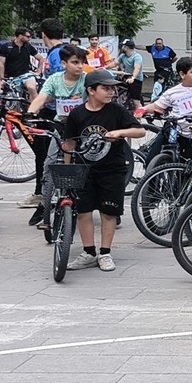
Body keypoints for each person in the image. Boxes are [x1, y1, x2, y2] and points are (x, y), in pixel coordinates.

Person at [58, 71, 145, 270]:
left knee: (109, 212)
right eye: (105, 88)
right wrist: (68, 169)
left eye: (112, 88)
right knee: (84, 211)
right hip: (84, 170)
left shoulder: (116, 111)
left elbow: (140, 130)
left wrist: (120, 132)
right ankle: (88, 252)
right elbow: (70, 144)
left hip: (112, 169)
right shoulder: (77, 114)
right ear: (90, 90)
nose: (111, 92)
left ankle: (105, 253)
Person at [26, 43, 89, 227]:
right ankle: (46, 205)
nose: (80, 66)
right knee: (49, 164)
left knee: (88, 166)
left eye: (82, 62)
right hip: (61, 127)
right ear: (63, 63)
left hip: (83, 130)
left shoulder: (86, 80)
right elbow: (42, 97)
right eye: (75, 62)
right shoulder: (54, 80)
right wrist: (31, 112)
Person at [143, 57, 192, 162]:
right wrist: (143, 109)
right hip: (175, 130)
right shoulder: (172, 92)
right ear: (182, 75)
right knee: (152, 158)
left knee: (189, 167)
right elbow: (157, 106)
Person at [0, 27, 40, 101]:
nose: (29, 39)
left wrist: (38, 72)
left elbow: (41, 59)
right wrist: (2, 78)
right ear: (20, 36)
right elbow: (1, 63)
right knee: (11, 99)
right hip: (10, 76)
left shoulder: (28, 46)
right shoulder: (6, 47)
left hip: (25, 74)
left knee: (32, 88)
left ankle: (35, 110)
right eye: (28, 37)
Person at [117, 40, 144, 107]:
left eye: (123, 46)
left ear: (126, 47)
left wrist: (133, 78)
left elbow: (137, 69)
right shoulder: (123, 56)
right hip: (127, 76)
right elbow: (115, 63)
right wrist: (105, 67)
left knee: (136, 102)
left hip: (135, 79)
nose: (121, 47)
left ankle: (140, 114)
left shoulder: (137, 57)